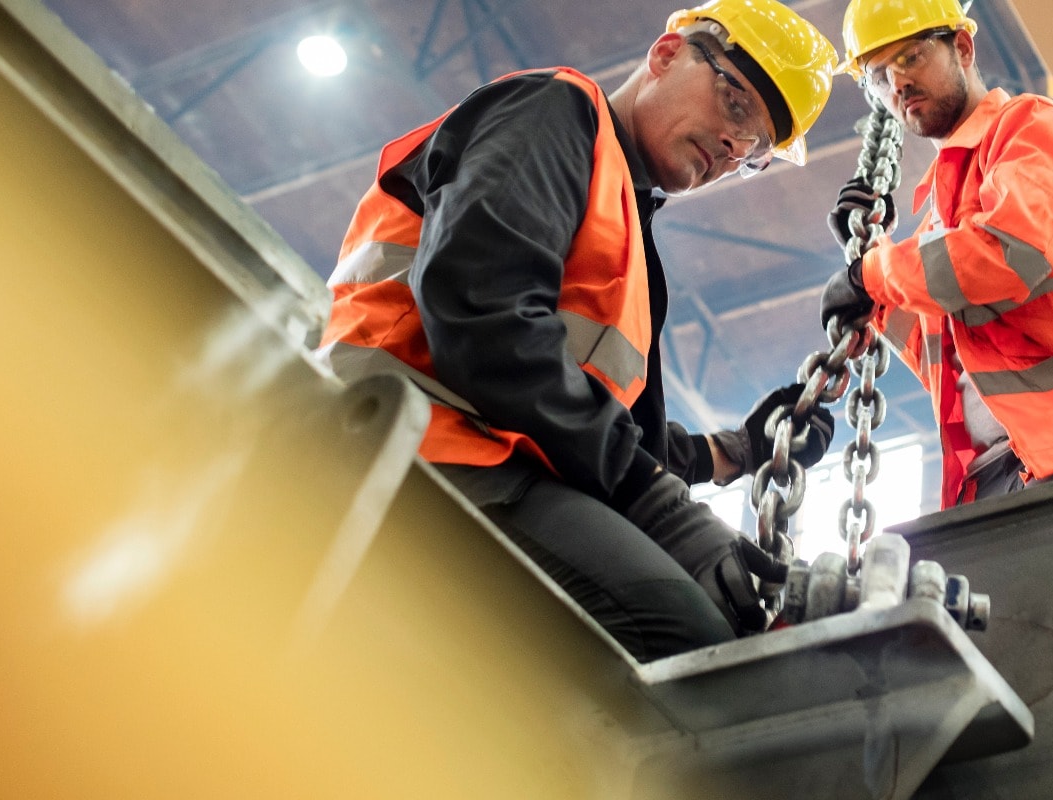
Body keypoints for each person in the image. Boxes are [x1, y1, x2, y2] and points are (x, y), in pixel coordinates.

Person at [316, 0, 838, 661]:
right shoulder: (554, 113)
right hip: (416, 438)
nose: (735, 147)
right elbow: (483, 313)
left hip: (503, 457)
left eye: (757, 148)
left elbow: (615, 441)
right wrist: (665, 512)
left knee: (716, 635)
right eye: (736, 105)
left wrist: (732, 451)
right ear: (666, 55)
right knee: (684, 637)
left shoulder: (626, 231)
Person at [821, 0, 1053, 517]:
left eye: (909, 58)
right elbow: (950, 360)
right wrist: (876, 288)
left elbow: (1008, 254)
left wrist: (874, 274)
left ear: (964, 47)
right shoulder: (941, 216)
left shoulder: (1030, 128)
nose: (897, 84)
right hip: (1005, 469)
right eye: (879, 77)